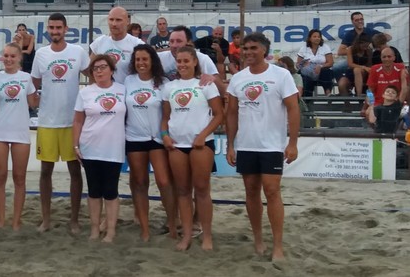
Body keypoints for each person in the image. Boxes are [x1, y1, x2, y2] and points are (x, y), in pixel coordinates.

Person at [226, 32, 300, 261]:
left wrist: (293, 143)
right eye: (245, 48)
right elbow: (231, 113)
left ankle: (278, 245)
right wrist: (230, 144)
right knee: (250, 191)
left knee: (272, 191)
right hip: (247, 144)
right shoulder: (238, 78)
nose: (248, 52)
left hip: (271, 145)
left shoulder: (281, 75)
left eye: (253, 48)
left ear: (264, 51)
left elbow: (293, 109)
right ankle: (258, 238)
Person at [31, 12, 90, 233]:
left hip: (71, 122)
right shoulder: (41, 54)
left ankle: (74, 220)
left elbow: (93, 74)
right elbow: (33, 84)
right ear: (48, 29)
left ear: (66, 29)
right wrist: (35, 102)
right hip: (47, 121)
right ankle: (46, 219)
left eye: (59, 28)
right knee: (45, 171)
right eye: (51, 28)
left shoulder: (77, 52)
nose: (55, 31)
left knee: (75, 171)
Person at [161, 46, 223, 251]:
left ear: (195, 62)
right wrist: (165, 136)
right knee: (183, 191)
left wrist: (203, 135)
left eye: (186, 61)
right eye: (179, 61)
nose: (182, 65)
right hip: (177, 145)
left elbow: (219, 114)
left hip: (201, 145)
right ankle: (186, 235)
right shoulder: (169, 87)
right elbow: (165, 118)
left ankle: (207, 236)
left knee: (202, 190)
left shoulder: (204, 84)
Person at [72, 54, 127, 243]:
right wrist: (76, 144)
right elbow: (78, 120)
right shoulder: (85, 92)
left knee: (111, 191)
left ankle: (110, 230)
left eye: (103, 67)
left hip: (113, 148)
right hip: (90, 147)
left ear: (112, 70)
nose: (99, 71)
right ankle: (95, 229)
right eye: (95, 68)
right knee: (94, 190)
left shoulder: (122, 90)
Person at [123, 44, 175, 242]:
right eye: (137, 59)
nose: (141, 63)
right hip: (134, 137)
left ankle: (172, 222)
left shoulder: (162, 83)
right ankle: (144, 228)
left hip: (157, 139)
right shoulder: (128, 81)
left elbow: (168, 113)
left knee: (163, 181)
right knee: (140, 182)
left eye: (144, 59)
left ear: (152, 60)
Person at [0, 42, 38, 231]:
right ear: (2, 57)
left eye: (13, 56)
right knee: (0, 177)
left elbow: (33, 104)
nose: (9, 59)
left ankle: (16, 221)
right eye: (6, 56)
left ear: (19, 58)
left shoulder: (26, 79)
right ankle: (1, 220)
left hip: (20, 132)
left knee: (19, 178)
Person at [158, 26, 225, 95]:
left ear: (189, 42)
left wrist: (213, 79)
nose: (174, 45)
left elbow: (222, 91)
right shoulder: (160, 58)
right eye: (171, 41)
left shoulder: (203, 59)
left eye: (179, 41)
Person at [89, 6, 144, 83]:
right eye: (111, 19)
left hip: (127, 92)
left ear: (127, 21)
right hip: (105, 93)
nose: (114, 24)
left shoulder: (137, 44)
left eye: (118, 20)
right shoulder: (99, 42)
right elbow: (90, 70)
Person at [333, 11, 392, 80]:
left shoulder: (370, 31)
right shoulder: (350, 34)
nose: (360, 21)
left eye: (361, 19)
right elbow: (340, 51)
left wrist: (375, 43)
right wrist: (356, 49)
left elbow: (389, 37)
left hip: (370, 58)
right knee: (336, 68)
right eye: (357, 20)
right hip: (354, 59)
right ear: (352, 22)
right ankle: (345, 84)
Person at [296, 29, 334, 97]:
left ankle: (328, 93)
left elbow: (330, 63)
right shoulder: (303, 48)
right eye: (315, 36)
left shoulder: (325, 47)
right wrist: (304, 64)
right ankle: (307, 100)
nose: (317, 38)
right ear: (310, 38)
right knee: (305, 78)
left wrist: (321, 66)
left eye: (319, 37)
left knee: (326, 71)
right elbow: (298, 65)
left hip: (321, 70)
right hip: (307, 72)